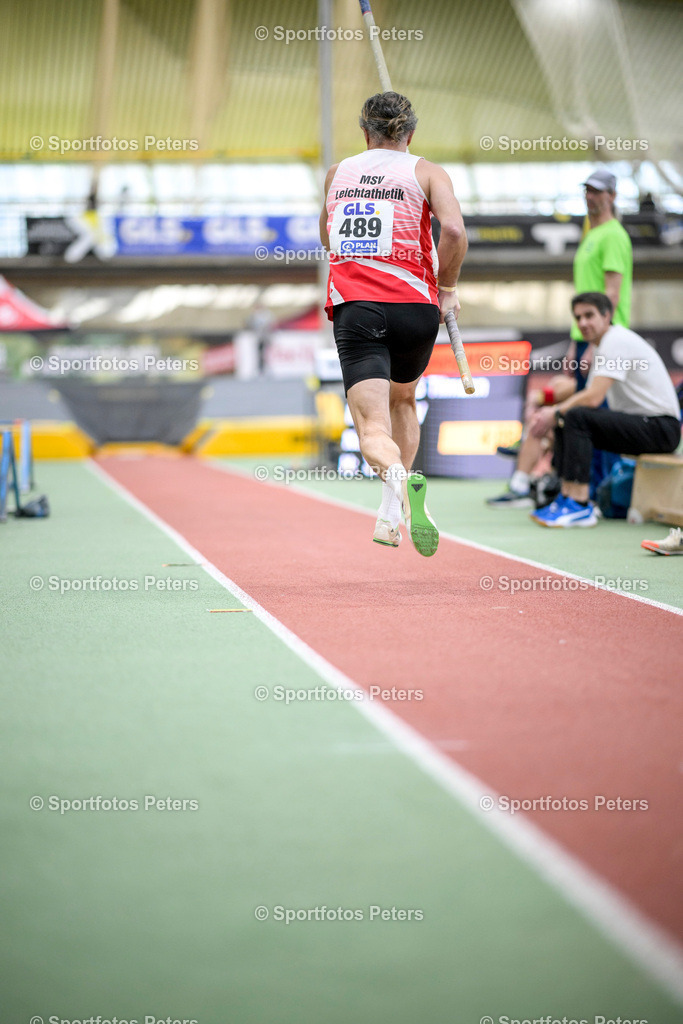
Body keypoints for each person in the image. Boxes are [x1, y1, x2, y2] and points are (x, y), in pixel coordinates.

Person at [319, 92, 467, 556]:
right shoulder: (428, 171)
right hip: (417, 310)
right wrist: (447, 286)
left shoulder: (338, 172)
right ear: (411, 134)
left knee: (371, 431)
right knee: (404, 399)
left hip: (358, 306)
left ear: (364, 132)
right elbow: (456, 231)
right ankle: (392, 509)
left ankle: (398, 479)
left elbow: (326, 231)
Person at [487, 167, 633, 508]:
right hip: (587, 337)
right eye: (587, 190)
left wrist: (600, 341)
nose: (590, 196)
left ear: (612, 196)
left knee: (594, 414)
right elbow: (587, 301)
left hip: (604, 337)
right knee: (577, 414)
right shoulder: (591, 234)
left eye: (597, 191)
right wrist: (575, 344)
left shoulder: (612, 234)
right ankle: (571, 488)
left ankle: (599, 495)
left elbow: (610, 294)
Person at [529, 292, 681, 528]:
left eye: (589, 315)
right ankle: (566, 496)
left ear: (607, 315)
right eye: (578, 318)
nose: (582, 323)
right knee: (567, 417)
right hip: (644, 424)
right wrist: (555, 413)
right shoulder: (603, 346)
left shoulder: (616, 340)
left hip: (661, 428)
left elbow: (593, 398)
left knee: (575, 415)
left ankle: (580, 505)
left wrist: (554, 410)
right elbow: (586, 398)